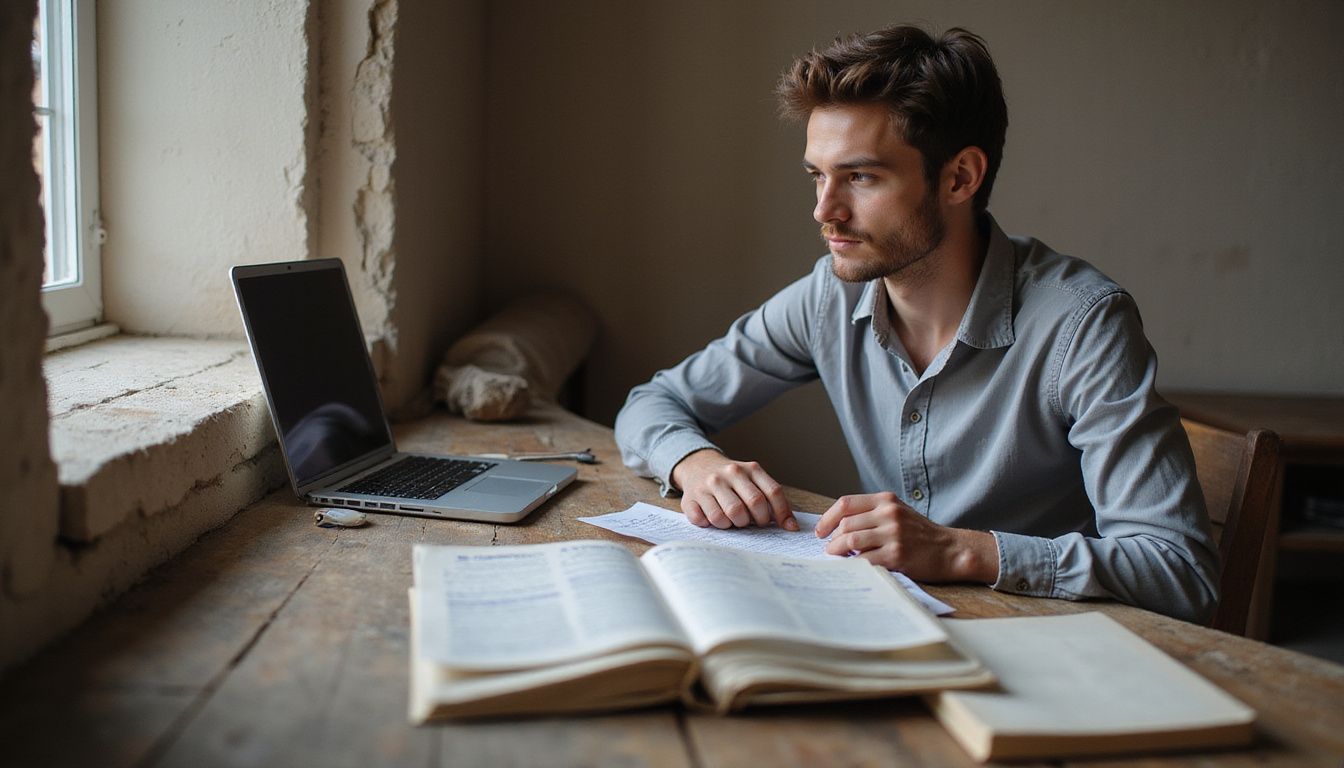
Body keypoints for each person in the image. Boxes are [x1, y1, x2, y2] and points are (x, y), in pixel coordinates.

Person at [613, 25, 1219, 623]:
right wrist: (694, 464)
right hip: (898, 626)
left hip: (1059, 650)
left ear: (960, 177)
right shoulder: (828, 295)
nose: (825, 211)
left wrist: (961, 549)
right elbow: (654, 401)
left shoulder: (1083, 325)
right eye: (817, 175)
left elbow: (1180, 571)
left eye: (861, 177)